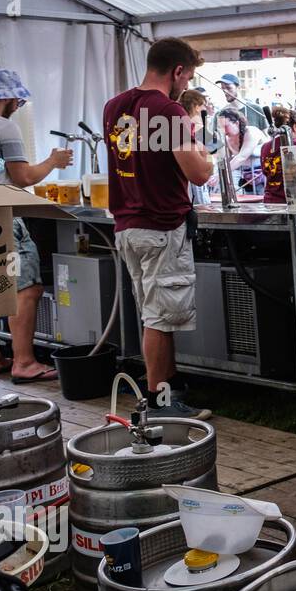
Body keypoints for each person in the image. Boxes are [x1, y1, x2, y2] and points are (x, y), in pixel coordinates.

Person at [103, 37, 213, 419]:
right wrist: (206, 155)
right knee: (160, 319)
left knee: (153, 313)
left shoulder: (114, 107)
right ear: (177, 70)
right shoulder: (168, 111)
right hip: (161, 225)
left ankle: (168, 392)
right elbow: (197, 172)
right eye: (188, 77)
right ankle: (160, 401)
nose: (187, 85)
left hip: (127, 224)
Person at [0, 69, 72, 382]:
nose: (19, 105)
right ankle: (24, 362)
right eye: (18, 100)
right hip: (3, 216)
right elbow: (23, 178)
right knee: (27, 287)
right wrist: (53, 161)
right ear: (9, 97)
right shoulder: (3, 127)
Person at [260, 107, 296, 204]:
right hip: (294, 203)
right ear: (295, 127)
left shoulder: (265, 147)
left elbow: (265, 172)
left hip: (270, 202)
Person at [216, 108, 268, 196]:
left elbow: (242, 157)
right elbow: (223, 160)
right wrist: (218, 173)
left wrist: (221, 174)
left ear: (236, 123)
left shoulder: (252, 131)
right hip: (247, 181)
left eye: (226, 126)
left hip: (265, 177)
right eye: (221, 127)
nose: (224, 130)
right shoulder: (227, 139)